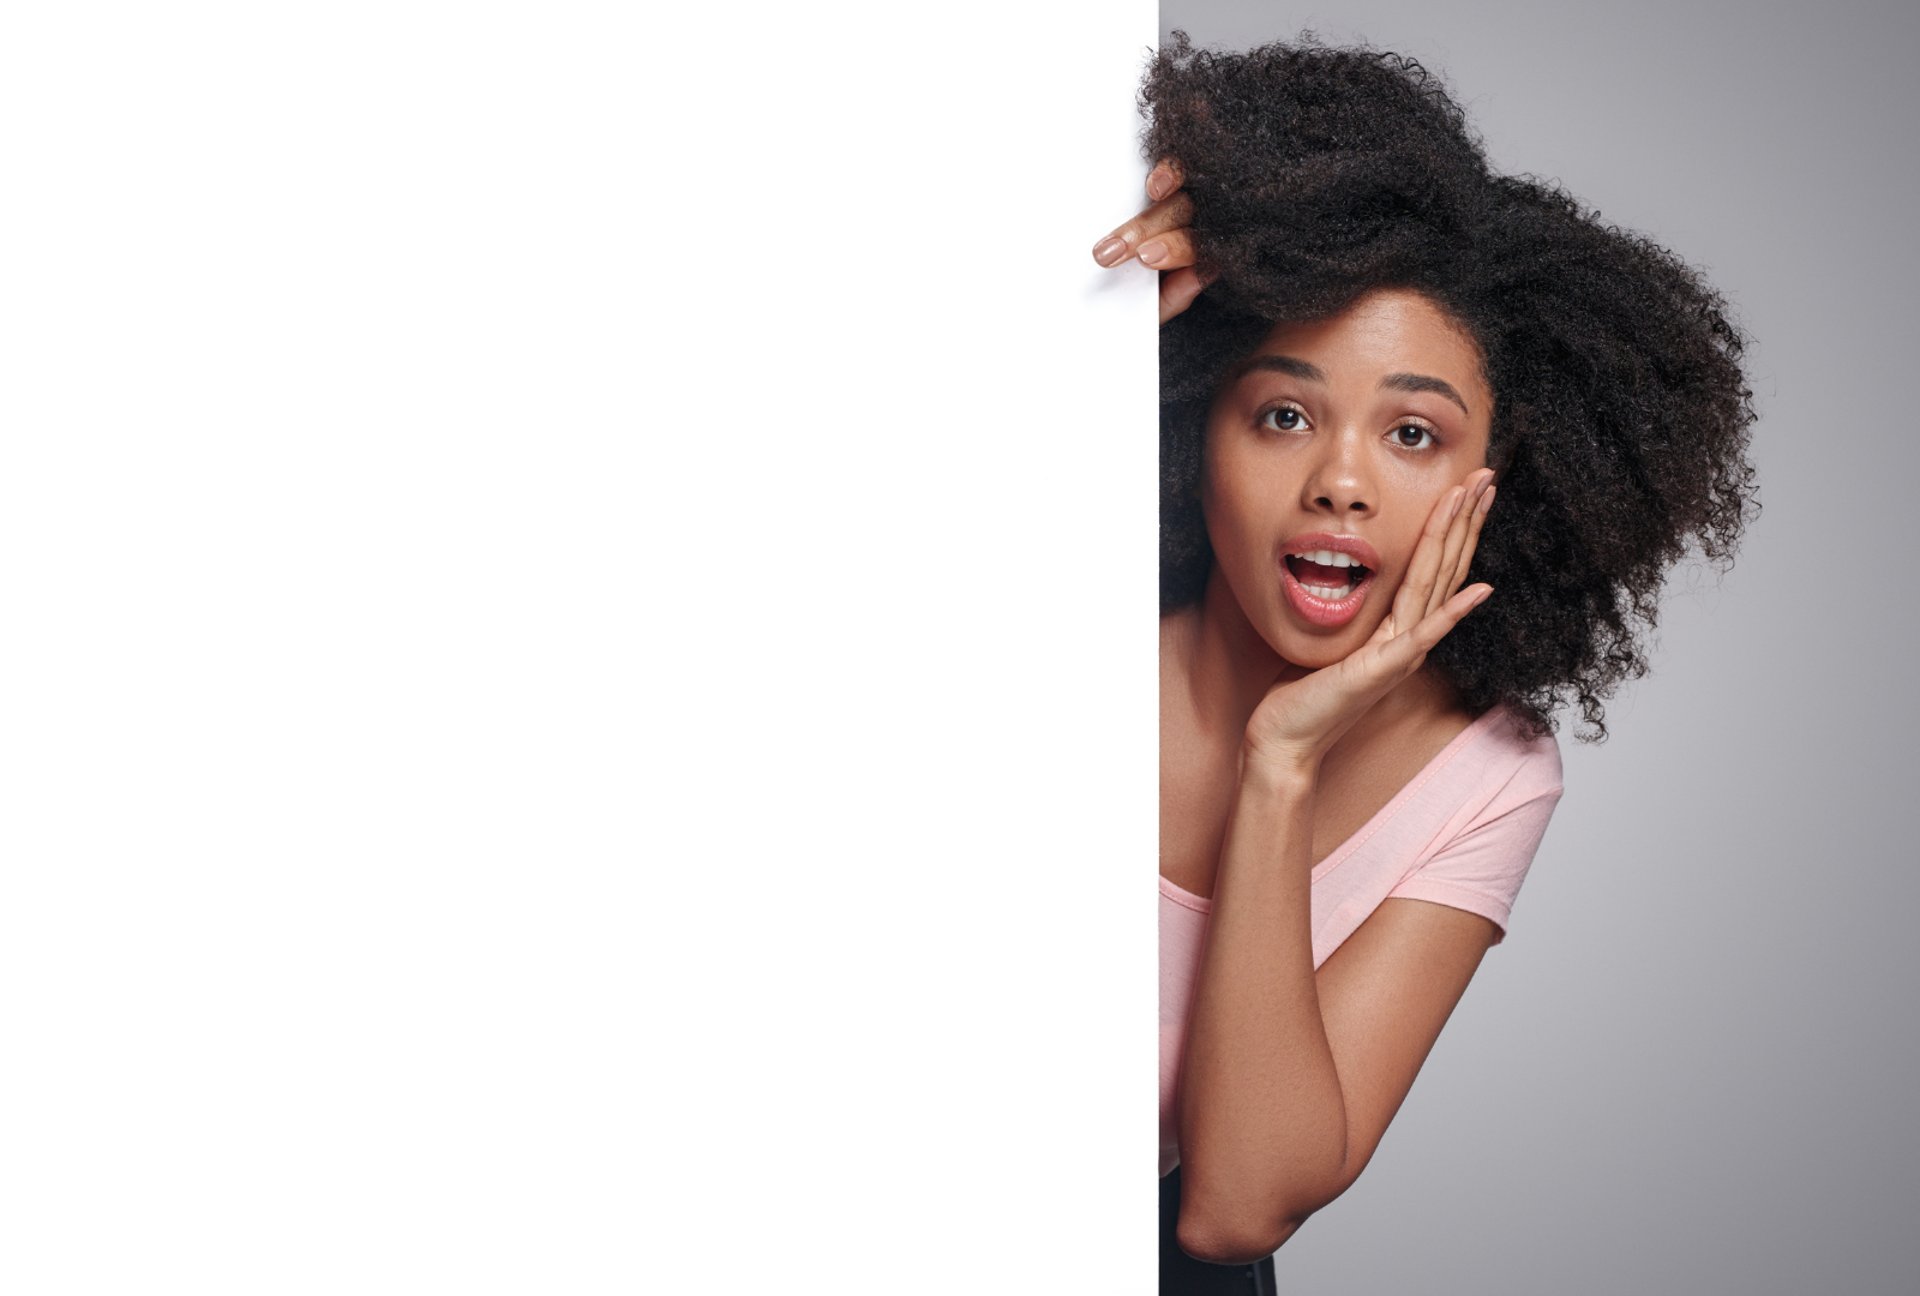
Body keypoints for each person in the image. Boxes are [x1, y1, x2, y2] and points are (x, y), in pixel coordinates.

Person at [1091, 32, 1760, 1294]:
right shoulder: (1054, 614)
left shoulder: (1489, 772)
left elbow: (1234, 1209)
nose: (1340, 480)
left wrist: (1280, 767)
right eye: (1282, 413)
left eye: (1412, 432)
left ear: (1503, 484)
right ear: (1197, 424)